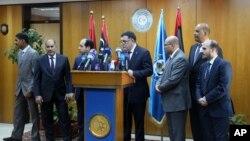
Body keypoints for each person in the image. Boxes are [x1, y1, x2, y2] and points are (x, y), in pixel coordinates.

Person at [33, 39, 74, 141]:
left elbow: (68, 78)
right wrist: (37, 94)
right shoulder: (39, 60)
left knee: (64, 119)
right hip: (45, 95)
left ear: (55, 46)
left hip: (61, 94)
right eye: (48, 47)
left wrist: (69, 91)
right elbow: (36, 80)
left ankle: (67, 139)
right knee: (47, 120)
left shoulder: (64, 59)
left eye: (52, 46)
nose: (50, 49)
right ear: (45, 47)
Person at [188, 23, 223, 141]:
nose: (194, 33)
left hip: (206, 96)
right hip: (192, 94)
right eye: (194, 31)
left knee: (206, 128)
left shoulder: (215, 48)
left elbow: (217, 72)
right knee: (195, 125)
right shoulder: (193, 48)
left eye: (197, 31)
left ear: (205, 33)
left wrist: (207, 97)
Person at [3, 32, 40, 141]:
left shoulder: (34, 53)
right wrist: (17, 88)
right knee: (18, 114)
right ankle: (16, 136)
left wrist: (31, 89)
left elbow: (35, 74)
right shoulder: (19, 53)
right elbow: (21, 73)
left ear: (23, 41)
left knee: (34, 116)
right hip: (20, 89)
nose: (15, 42)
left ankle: (35, 138)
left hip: (29, 90)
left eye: (16, 40)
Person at [195, 40, 233, 141]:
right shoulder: (203, 66)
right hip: (204, 110)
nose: (201, 51)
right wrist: (199, 98)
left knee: (220, 138)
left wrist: (206, 99)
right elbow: (198, 84)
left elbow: (222, 87)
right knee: (207, 137)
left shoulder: (224, 64)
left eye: (204, 49)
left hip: (219, 110)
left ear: (212, 50)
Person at [155, 36, 191, 141]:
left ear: (173, 45)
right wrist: (158, 84)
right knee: (172, 132)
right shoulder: (171, 58)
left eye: (165, 45)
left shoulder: (180, 58)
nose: (164, 47)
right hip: (171, 102)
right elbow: (162, 75)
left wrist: (160, 88)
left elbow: (174, 79)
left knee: (177, 134)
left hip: (178, 103)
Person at [121, 31, 153, 141]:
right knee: (125, 121)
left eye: (124, 42)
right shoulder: (122, 54)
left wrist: (134, 73)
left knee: (139, 122)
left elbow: (149, 71)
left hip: (138, 93)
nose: (122, 44)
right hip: (124, 93)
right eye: (121, 42)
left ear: (132, 40)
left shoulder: (144, 52)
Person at [72, 38, 97, 141]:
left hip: (94, 95)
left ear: (88, 47)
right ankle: (81, 138)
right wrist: (72, 91)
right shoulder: (78, 59)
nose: (79, 48)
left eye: (81, 46)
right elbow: (73, 76)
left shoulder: (98, 59)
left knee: (94, 117)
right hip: (81, 94)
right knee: (81, 118)